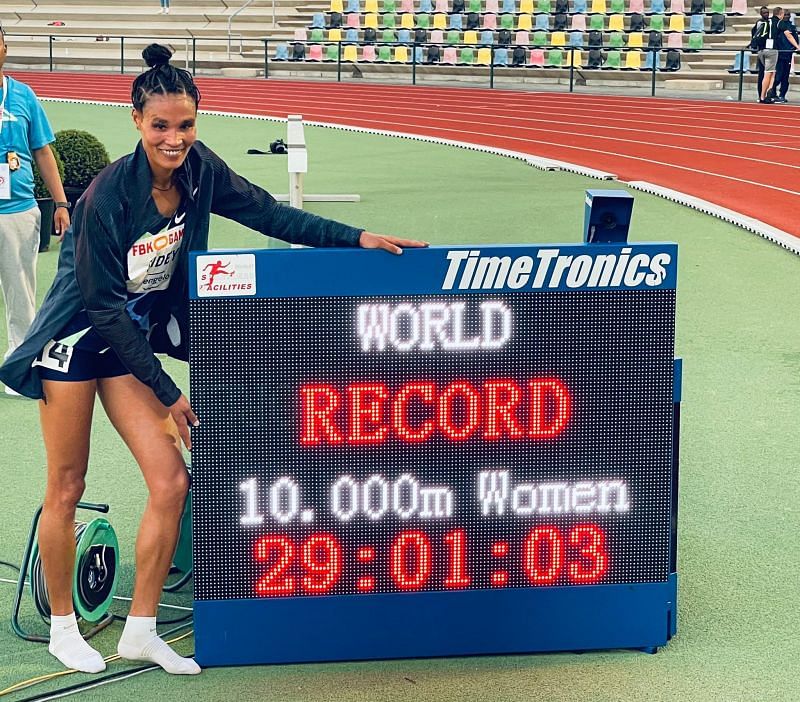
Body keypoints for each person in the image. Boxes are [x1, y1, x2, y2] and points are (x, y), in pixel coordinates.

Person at [0, 43, 427, 675]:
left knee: (172, 480)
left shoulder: (200, 170)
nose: (174, 139)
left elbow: (270, 213)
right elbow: (103, 306)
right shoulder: (106, 196)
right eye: (161, 126)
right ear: (137, 121)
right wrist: (169, 392)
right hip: (77, 339)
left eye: (186, 124)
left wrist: (356, 237)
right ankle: (63, 624)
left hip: (128, 342)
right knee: (68, 483)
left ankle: (140, 629)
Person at [0, 26, 70, 393]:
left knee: (21, 291)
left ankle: (19, 365)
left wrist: (60, 202)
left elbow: (42, 151)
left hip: (18, 209)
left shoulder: (23, 96)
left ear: (5, 48)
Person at [772, 7, 799, 102]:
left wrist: (795, 47)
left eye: (788, 15)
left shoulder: (791, 27)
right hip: (779, 53)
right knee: (777, 76)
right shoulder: (778, 25)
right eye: (785, 15)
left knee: (785, 77)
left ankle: (782, 94)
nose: (786, 17)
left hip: (787, 54)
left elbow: (795, 39)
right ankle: (772, 93)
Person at [759, 7, 785, 103]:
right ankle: (763, 96)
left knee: (772, 72)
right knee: (768, 73)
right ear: (780, 14)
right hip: (771, 50)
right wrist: (797, 46)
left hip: (762, 50)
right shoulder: (778, 22)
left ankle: (769, 92)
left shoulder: (764, 22)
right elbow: (788, 34)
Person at [750, 6, 771, 100]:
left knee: (769, 74)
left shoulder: (770, 22)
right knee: (762, 74)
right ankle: (760, 95)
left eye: (767, 12)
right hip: (762, 51)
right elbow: (756, 35)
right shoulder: (759, 23)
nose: (766, 14)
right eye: (764, 13)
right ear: (761, 14)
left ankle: (768, 94)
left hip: (770, 50)